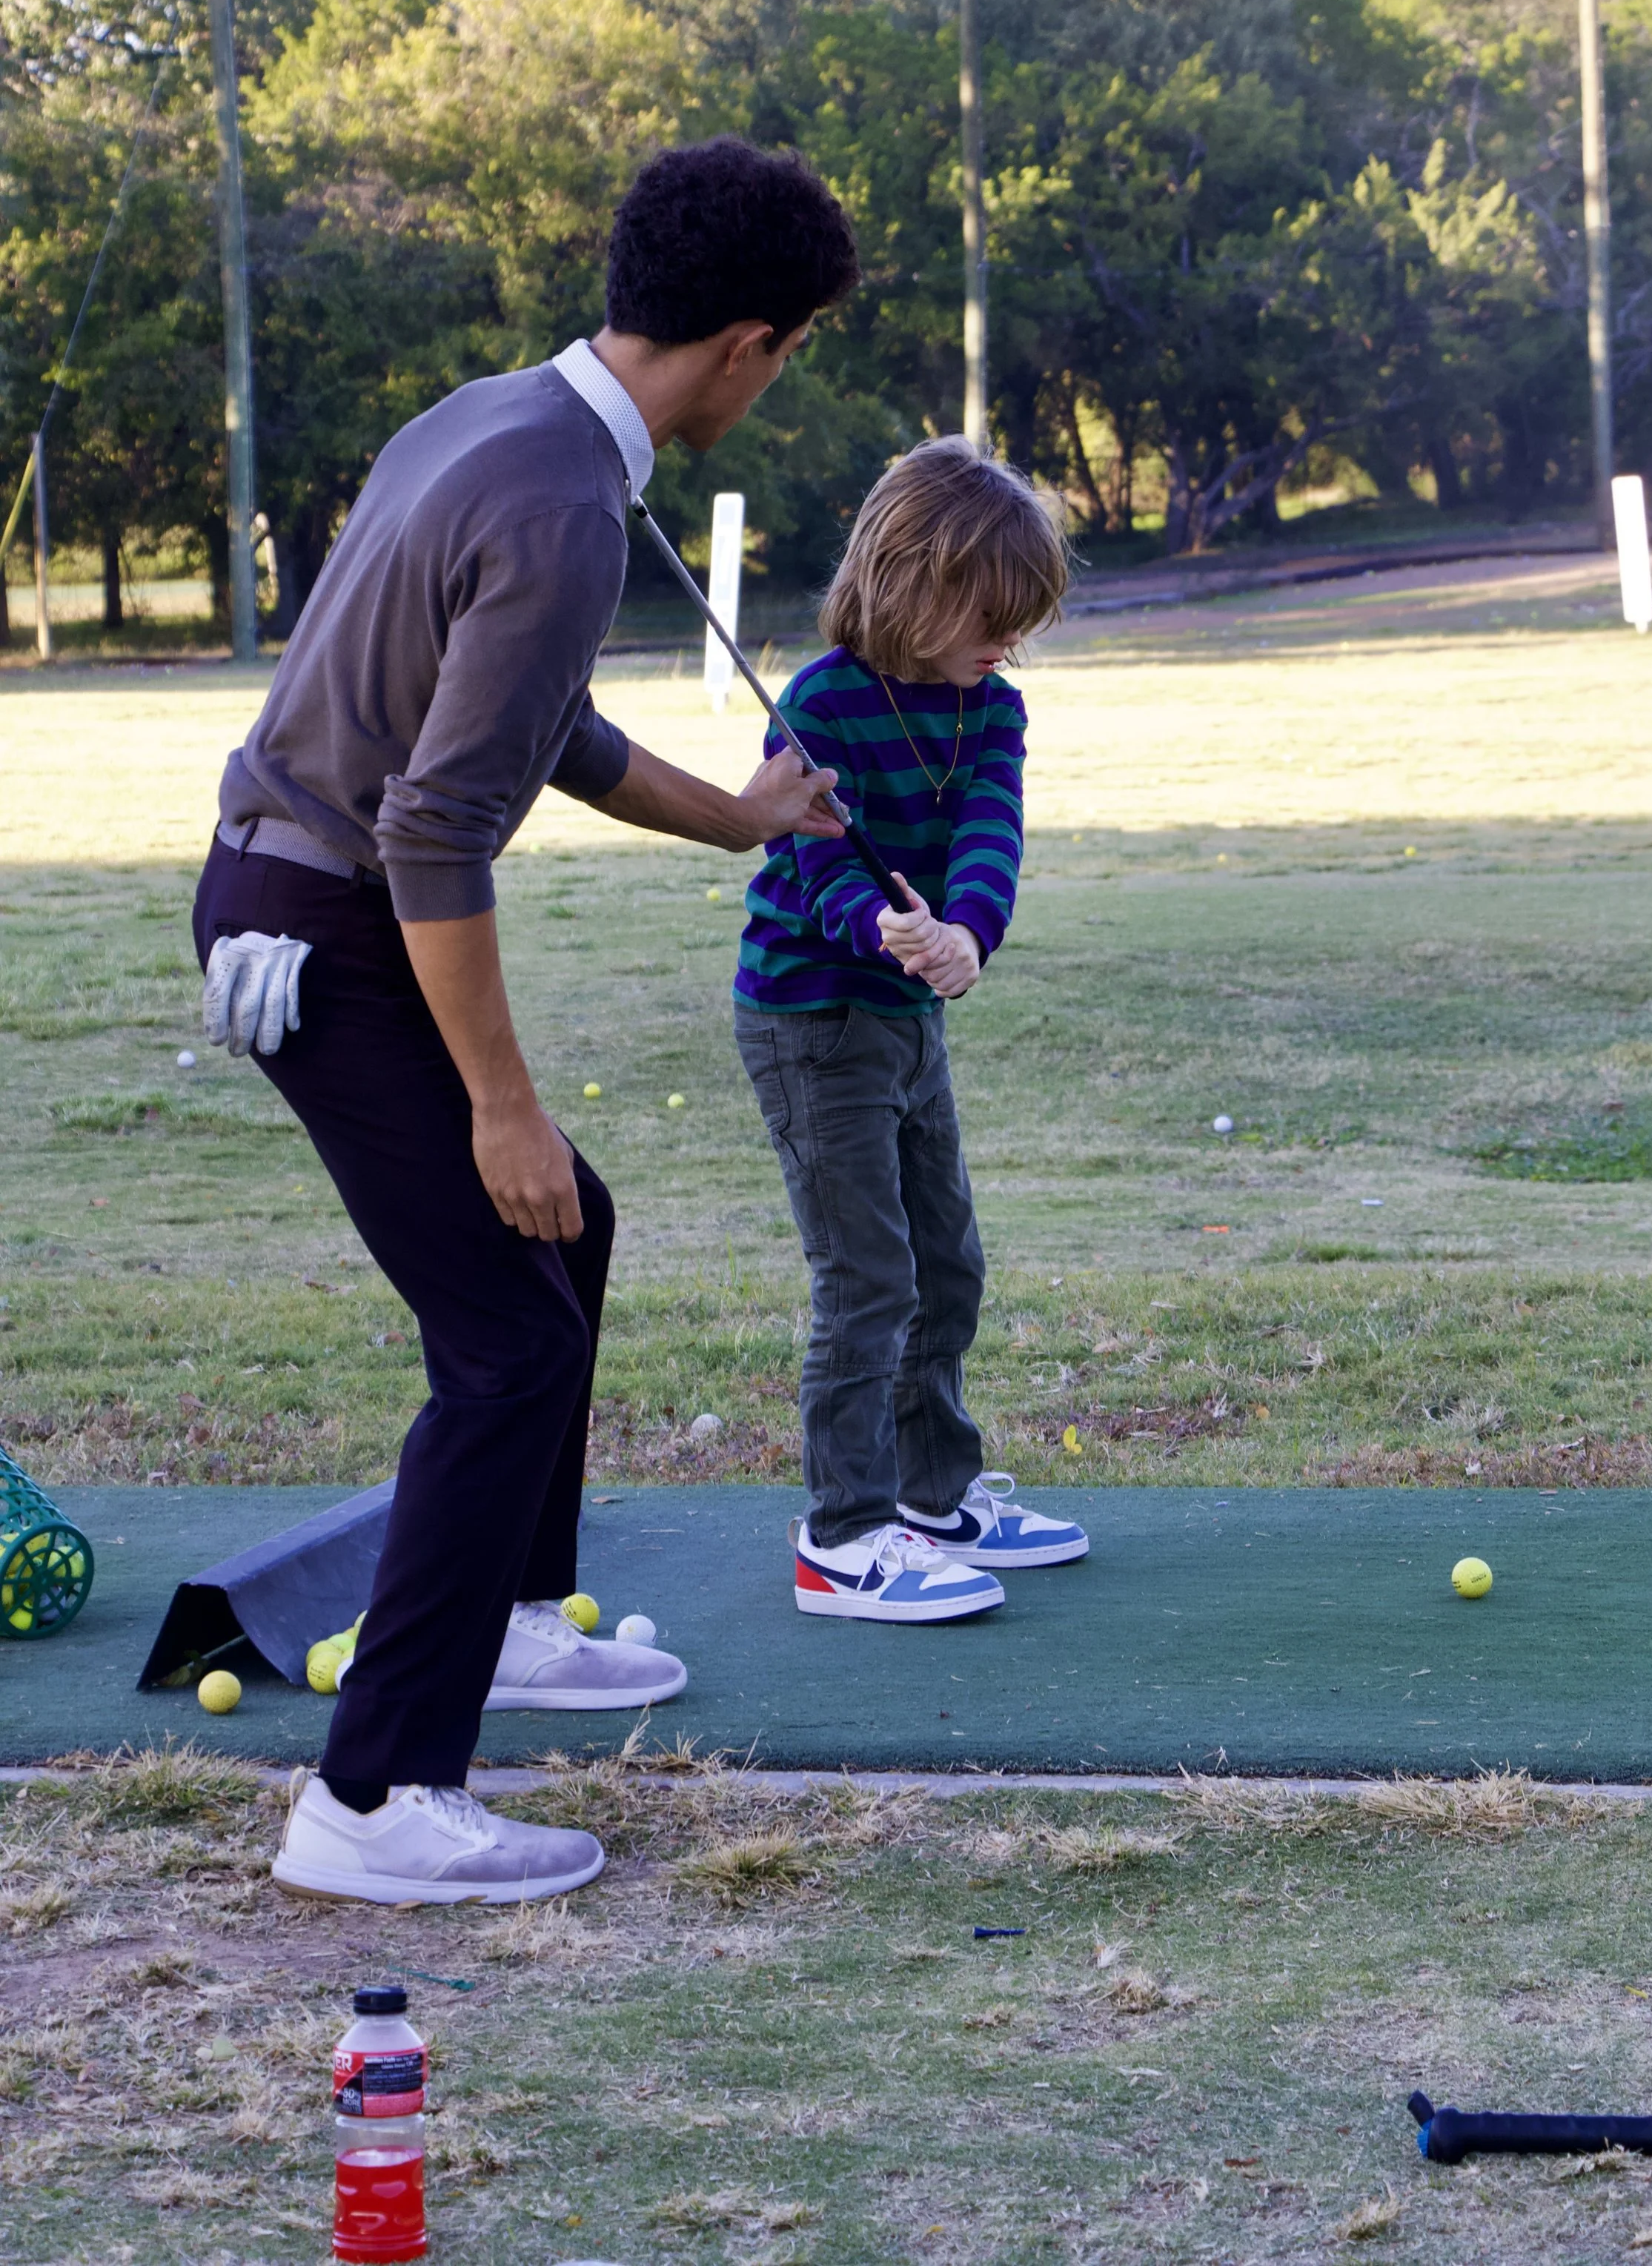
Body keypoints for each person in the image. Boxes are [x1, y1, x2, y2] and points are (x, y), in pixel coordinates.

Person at [195, 139, 859, 1905]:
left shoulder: (496, 418)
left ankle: (499, 1620)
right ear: (746, 342)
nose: (773, 380)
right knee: (507, 1336)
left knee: (575, 1233)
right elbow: (432, 824)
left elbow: (531, 725)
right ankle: (374, 1798)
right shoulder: (565, 502)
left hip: (300, 895)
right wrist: (501, 1102)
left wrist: (738, 814)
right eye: (784, 350)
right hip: (321, 928)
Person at [733, 435, 1088, 1623]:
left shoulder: (993, 708)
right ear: (910, 581)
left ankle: (934, 1496)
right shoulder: (822, 703)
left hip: (904, 1017)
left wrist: (968, 937)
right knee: (868, 1275)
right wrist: (880, 928)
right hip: (811, 1014)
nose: (1009, 637)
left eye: (1022, 616)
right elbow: (803, 862)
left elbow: (992, 831)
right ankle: (843, 1534)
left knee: (947, 1262)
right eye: (990, 609)